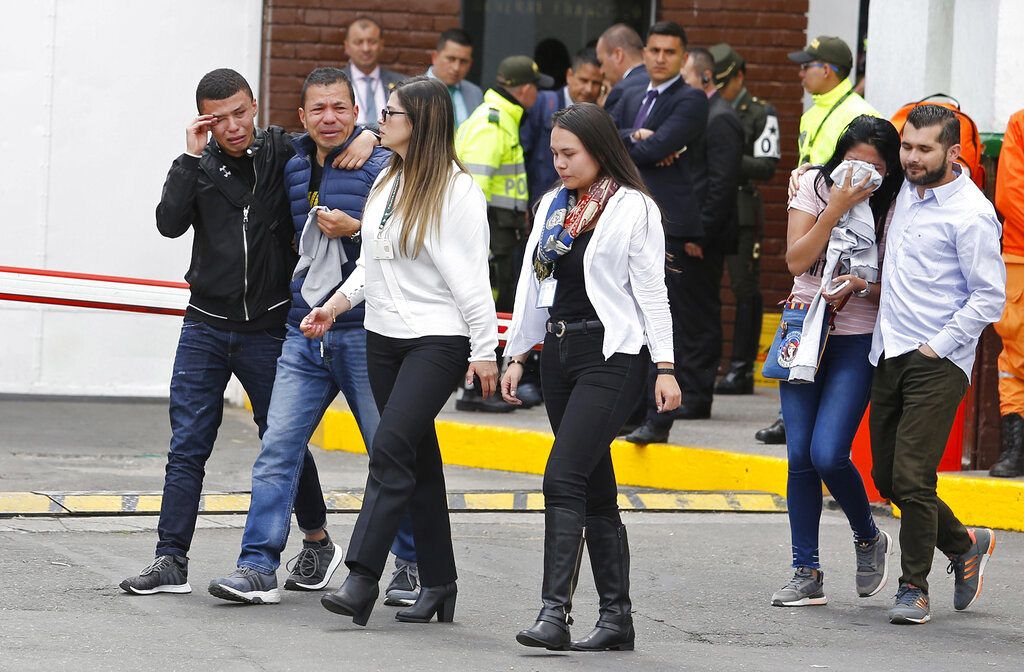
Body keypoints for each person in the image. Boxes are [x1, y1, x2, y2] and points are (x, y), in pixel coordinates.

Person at [206, 68, 420, 606]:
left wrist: (359, 229)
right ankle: (256, 568)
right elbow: (253, 143)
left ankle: (414, 566)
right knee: (278, 448)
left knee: (387, 453)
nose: (329, 119)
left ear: (356, 111)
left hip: (368, 333)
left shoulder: (384, 165)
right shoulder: (293, 159)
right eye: (317, 110)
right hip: (303, 332)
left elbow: (415, 244)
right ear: (302, 117)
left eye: (340, 109)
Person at [301, 76, 499, 627]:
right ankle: (440, 583)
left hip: (437, 340)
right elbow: (372, 262)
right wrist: (334, 306)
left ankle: (361, 576)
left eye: (390, 114)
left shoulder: (457, 191)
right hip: (383, 339)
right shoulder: (388, 178)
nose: (378, 122)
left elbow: (471, 280)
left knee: (388, 448)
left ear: (422, 123)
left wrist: (485, 349)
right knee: (418, 460)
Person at [119, 69, 325, 595]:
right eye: (219, 118)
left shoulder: (281, 149)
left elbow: (334, 132)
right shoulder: (199, 166)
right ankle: (170, 560)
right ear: (205, 120)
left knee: (282, 442)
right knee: (187, 444)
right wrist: (189, 157)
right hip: (205, 325)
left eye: (240, 112)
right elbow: (168, 222)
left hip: (267, 326)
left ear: (254, 105)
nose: (233, 126)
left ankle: (318, 541)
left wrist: (368, 134)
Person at [502, 103, 679, 651]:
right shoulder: (553, 205)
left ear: (599, 151)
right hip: (558, 353)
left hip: (612, 353)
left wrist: (666, 367)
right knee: (594, 487)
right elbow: (533, 288)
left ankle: (554, 615)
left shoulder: (633, 209)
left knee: (562, 476)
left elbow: (651, 290)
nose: (558, 163)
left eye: (568, 153)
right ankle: (617, 620)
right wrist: (515, 353)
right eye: (553, 153)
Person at [870, 105, 1003, 625]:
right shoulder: (903, 191)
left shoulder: (971, 214)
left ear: (953, 153)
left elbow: (989, 298)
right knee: (886, 475)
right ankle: (965, 543)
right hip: (888, 351)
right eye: (907, 147)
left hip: (937, 359)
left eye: (924, 149)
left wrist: (939, 345)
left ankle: (913, 588)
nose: (911, 158)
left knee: (913, 476)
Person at [768, 115, 902, 608]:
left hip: (855, 337)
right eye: (853, 162)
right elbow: (797, 261)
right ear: (838, 155)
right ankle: (806, 571)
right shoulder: (812, 184)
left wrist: (863, 285)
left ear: (889, 173)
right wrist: (838, 207)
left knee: (828, 452)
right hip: (802, 329)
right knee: (799, 454)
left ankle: (868, 536)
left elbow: (904, 286)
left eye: (874, 167)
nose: (861, 174)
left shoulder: (895, 207)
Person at [755, 35, 881, 445]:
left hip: (850, 242)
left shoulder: (859, 114)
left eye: (806, 65)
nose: (800, 71)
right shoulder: (814, 113)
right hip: (815, 228)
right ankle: (788, 411)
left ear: (826, 70)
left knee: (835, 322)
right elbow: (812, 169)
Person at [623, 45, 736, 442]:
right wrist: (637, 139)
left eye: (677, 61)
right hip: (653, 221)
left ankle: (685, 400)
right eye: (652, 51)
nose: (660, 60)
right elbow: (608, 133)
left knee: (685, 319)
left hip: (687, 231)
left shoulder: (709, 112)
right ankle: (640, 408)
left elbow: (719, 182)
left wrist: (699, 232)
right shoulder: (638, 94)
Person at [454, 55, 552, 412]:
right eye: (536, 90)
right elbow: (473, 192)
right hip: (491, 236)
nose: (538, 97)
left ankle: (482, 389)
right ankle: (476, 391)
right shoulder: (493, 123)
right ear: (525, 90)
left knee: (495, 309)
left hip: (499, 234)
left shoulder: (500, 118)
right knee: (489, 311)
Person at [710, 43, 781, 395]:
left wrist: (723, 155)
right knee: (705, 288)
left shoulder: (760, 112)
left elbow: (767, 166)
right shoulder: (705, 106)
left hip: (740, 207)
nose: (721, 91)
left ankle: (741, 368)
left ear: (739, 75)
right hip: (709, 205)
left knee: (744, 289)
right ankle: (707, 363)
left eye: (725, 83)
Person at [522, 47, 604, 209]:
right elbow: (523, 152)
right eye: (583, 80)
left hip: (581, 207)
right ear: (569, 75)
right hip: (539, 202)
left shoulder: (599, 117)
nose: (589, 89)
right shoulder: (543, 103)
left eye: (596, 83)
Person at [989, 107, 1024, 477]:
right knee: (1015, 359)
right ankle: (1017, 448)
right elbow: (1012, 196)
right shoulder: (1020, 122)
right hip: (1019, 255)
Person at [344, 16, 405, 128]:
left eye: (372, 42)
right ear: (347, 47)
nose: (366, 48)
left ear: (381, 45)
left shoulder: (403, 84)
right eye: (358, 42)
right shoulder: (336, 83)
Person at [426, 28, 482, 128]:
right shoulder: (413, 90)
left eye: (463, 61)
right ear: (434, 57)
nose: (456, 68)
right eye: (451, 59)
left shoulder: (475, 93)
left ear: (470, 64)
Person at [596, 23, 648, 114]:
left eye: (601, 62)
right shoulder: (658, 82)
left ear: (618, 55)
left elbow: (609, 128)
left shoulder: (620, 90)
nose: (601, 71)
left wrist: (601, 113)